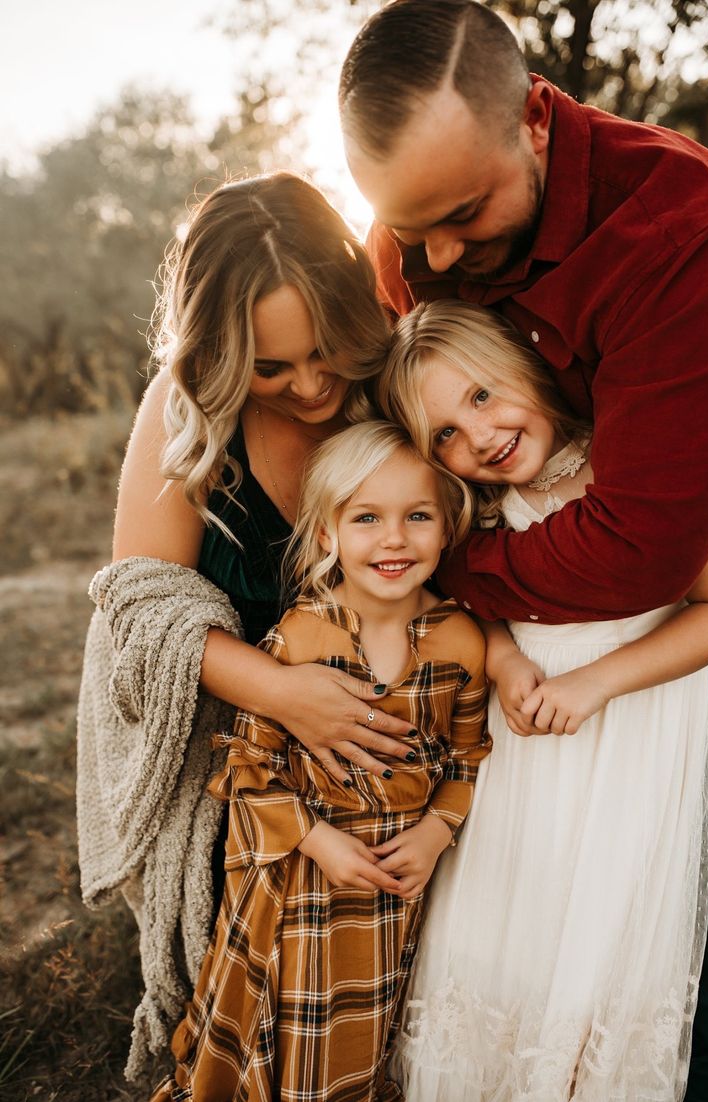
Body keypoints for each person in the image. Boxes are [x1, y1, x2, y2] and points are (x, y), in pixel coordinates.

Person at [338, 3, 708, 1097]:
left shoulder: (676, 230)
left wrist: (443, 571)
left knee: (689, 876)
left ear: (537, 122)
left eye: (462, 214)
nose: (437, 257)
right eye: (409, 229)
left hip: (681, 592)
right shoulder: (414, 239)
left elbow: (650, 543)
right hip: (532, 674)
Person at [76, 173, 422, 1079]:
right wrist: (286, 695)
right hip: (242, 736)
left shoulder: (394, 376)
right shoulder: (184, 409)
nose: (311, 384)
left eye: (326, 350)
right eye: (272, 369)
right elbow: (145, 603)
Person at [377, 298, 708, 1101]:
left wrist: (598, 682)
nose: (480, 437)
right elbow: (479, 607)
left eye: (480, 396)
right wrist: (503, 659)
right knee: (506, 932)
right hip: (525, 762)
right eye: (445, 435)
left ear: (525, 362)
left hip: (634, 744)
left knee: (602, 944)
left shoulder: (637, 468)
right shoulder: (481, 507)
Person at [149, 420, 490, 1101]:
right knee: (284, 1018)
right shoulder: (304, 636)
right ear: (328, 534)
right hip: (300, 879)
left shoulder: (460, 641)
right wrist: (317, 838)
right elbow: (246, 765)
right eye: (367, 518)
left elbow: (467, 756)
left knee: (362, 1025)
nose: (394, 539)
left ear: (447, 527)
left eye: (417, 516)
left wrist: (435, 830)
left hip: (391, 889)